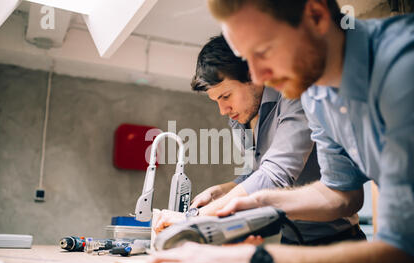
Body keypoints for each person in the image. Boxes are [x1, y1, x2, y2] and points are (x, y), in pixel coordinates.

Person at [137, 0, 414, 263]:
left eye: (263, 51)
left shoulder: (408, 67)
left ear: (315, 15)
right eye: (247, 59)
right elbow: (342, 194)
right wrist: (260, 203)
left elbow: (410, 253)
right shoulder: (317, 94)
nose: (259, 78)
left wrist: (256, 262)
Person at [155, 35, 367, 245]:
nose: (222, 110)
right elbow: (256, 173)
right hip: (291, 240)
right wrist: (220, 191)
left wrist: (192, 220)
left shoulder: (293, 97)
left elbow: (275, 175)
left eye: (226, 96)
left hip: (340, 241)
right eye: (216, 101)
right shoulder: (239, 120)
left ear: (252, 75)